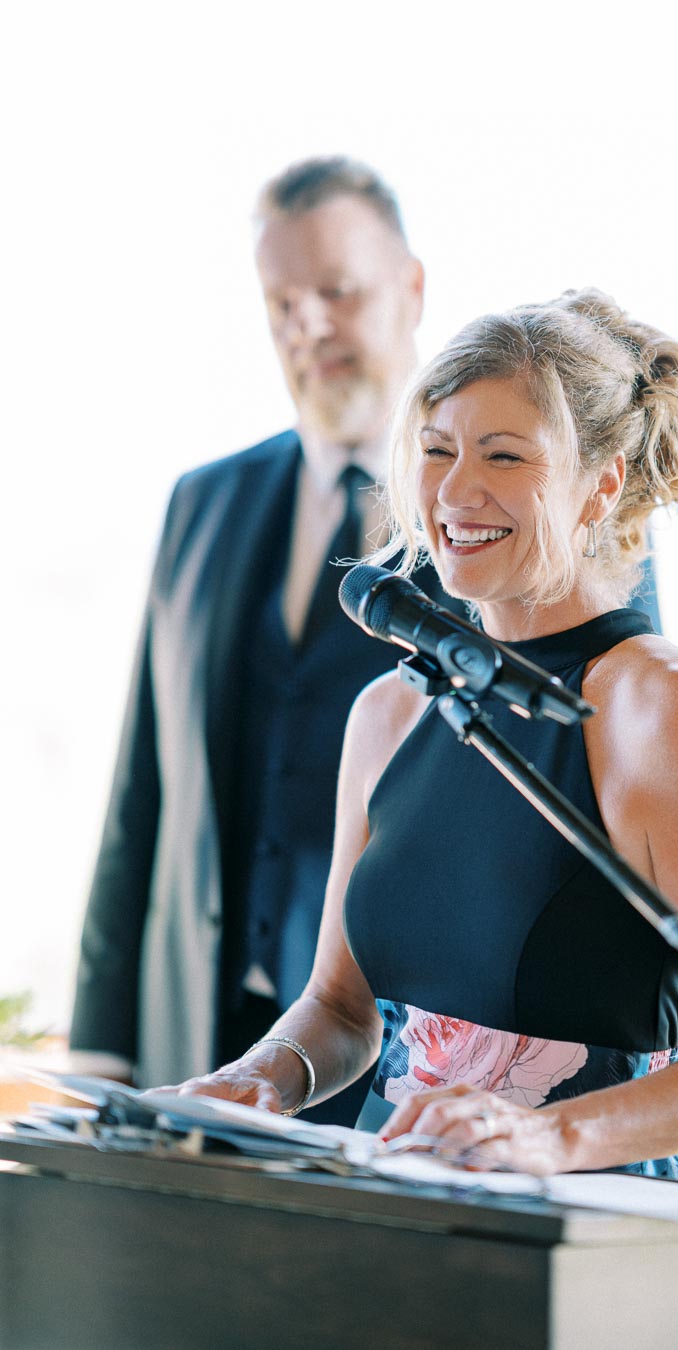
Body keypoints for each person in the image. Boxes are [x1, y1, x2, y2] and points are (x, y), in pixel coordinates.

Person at [163, 288, 678, 1179]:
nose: (456, 491)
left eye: (504, 456)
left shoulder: (665, 707)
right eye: (436, 451)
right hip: (394, 1213)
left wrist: (552, 1135)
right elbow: (341, 1010)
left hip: (591, 1230)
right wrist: (258, 1076)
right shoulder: (389, 712)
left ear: (602, 486)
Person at [69, 157, 464, 1125]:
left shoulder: (489, 514)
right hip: (191, 1043)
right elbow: (142, 795)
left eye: (337, 290)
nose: (308, 326)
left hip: (395, 1069)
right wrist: (102, 1047)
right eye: (281, 301)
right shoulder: (201, 504)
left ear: (411, 287)